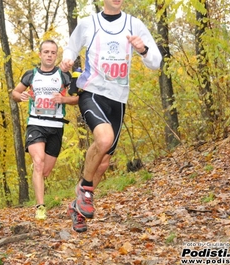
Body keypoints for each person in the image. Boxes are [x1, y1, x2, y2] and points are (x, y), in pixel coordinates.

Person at [60, 0, 162, 232]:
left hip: (118, 99)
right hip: (92, 92)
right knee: (103, 140)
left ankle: (78, 208)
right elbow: (71, 47)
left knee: (104, 161)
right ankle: (86, 191)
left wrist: (142, 50)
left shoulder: (134, 24)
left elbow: (156, 62)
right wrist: (67, 58)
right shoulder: (88, 23)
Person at [12, 40, 78, 220]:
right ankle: (40, 207)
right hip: (36, 123)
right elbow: (14, 93)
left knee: (45, 171)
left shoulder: (64, 76)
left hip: (56, 126)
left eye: (53, 52)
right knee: (39, 162)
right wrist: (21, 95)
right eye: (46, 52)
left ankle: (37, 171)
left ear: (56, 56)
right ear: (40, 54)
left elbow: (77, 99)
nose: (49, 55)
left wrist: (63, 100)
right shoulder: (30, 75)